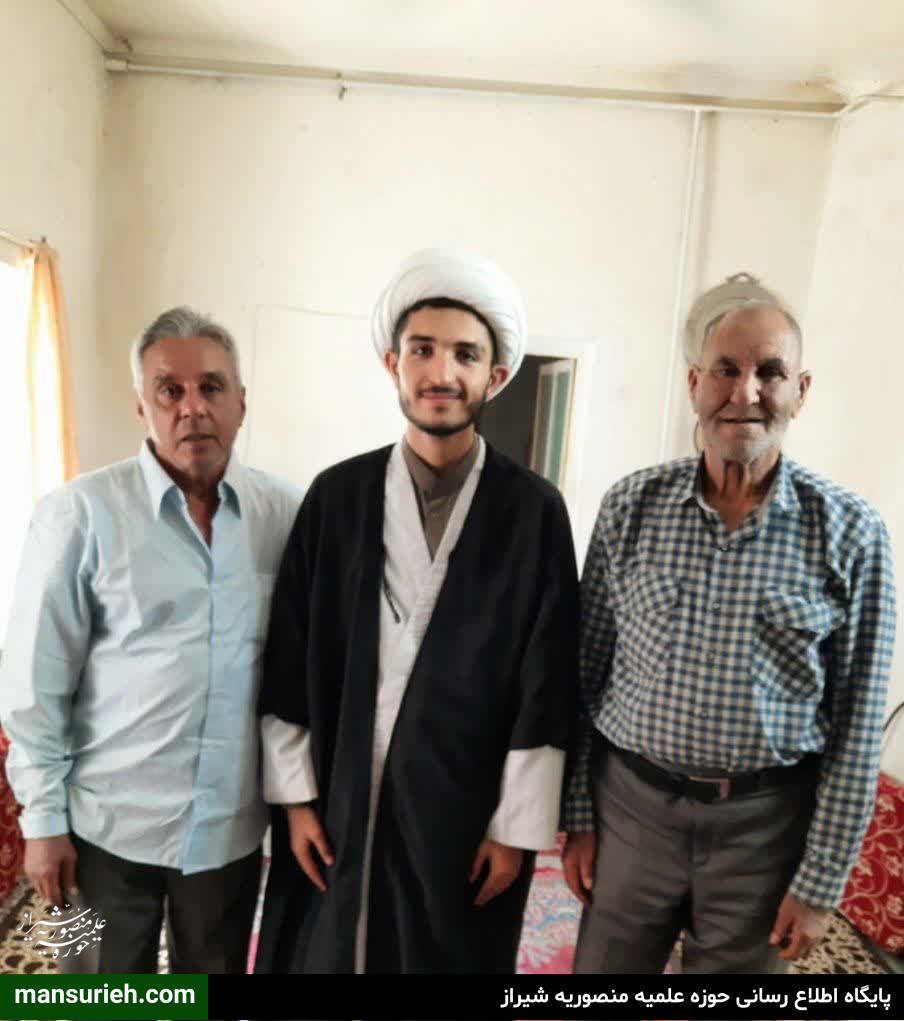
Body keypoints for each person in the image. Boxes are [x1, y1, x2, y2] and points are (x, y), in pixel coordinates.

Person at [254, 247, 579, 974]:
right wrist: (296, 802)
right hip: (337, 799)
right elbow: (290, 652)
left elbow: (548, 677)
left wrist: (515, 827)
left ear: (496, 375)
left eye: (466, 355)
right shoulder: (336, 498)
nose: (442, 373)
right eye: (423, 350)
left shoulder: (533, 513)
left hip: (465, 810)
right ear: (392, 363)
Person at [562, 272, 897, 973]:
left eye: (770, 371)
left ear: (801, 391)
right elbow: (583, 676)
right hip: (630, 814)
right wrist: (579, 817)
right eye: (725, 369)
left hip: (765, 832)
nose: (745, 392)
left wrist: (821, 883)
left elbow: (860, 725)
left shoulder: (852, 533)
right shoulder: (630, 507)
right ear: (694, 383)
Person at [0, 307, 301, 973]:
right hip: (103, 833)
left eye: (211, 387)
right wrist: (43, 823)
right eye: (170, 390)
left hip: (227, 835)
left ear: (241, 402)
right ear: (142, 406)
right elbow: (34, 682)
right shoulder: (79, 515)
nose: (192, 407)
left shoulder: (285, 514)